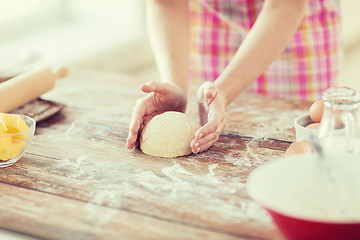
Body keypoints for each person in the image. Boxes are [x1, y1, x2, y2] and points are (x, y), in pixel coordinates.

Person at [127, 0, 342, 154]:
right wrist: (176, 86)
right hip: (215, 32)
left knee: (300, 143)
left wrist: (225, 91)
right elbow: (167, 3)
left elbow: (285, 5)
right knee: (214, 119)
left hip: (295, 38)